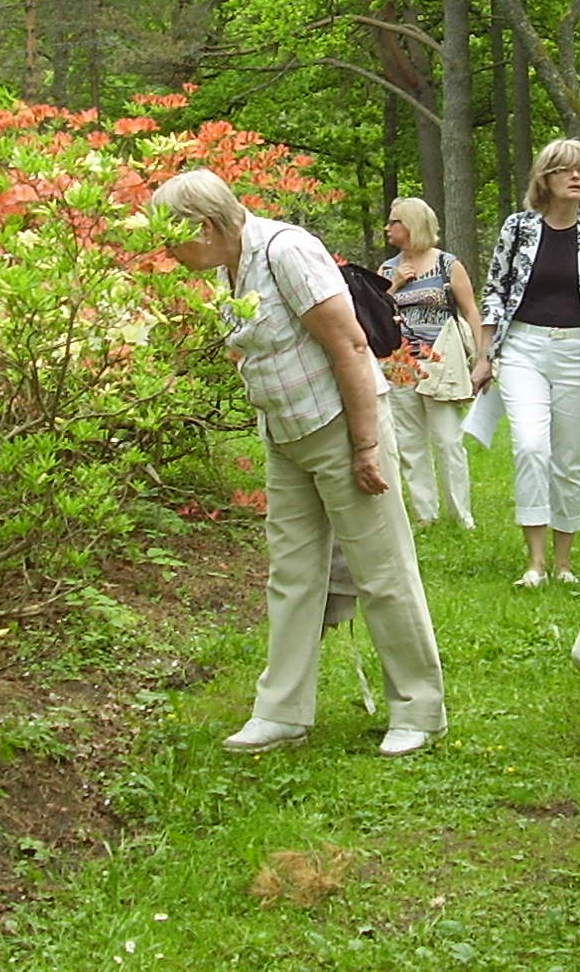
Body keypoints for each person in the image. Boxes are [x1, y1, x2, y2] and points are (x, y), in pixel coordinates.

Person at [150, 169, 447, 757]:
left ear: (204, 227)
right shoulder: (228, 268)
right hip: (286, 436)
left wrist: (365, 446)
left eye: (171, 236)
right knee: (291, 576)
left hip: (341, 427)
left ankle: (419, 711)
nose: (166, 250)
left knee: (381, 570)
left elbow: (350, 345)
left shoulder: (287, 251)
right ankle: (281, 712)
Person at [475, 137, 580, 589]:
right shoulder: (518, 228)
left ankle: (563, 562)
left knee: (569, 459)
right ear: (545, 178)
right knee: (531, 447)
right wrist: (484, 355)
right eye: (565, 169)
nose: (576, 176)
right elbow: (495, 291)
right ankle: (534, 562)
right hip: (524, 347)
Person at [378, 196, 481, 529]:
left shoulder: (448, 265)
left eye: (394, 221)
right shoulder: (386, 269)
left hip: (440, 363)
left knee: (448, 440)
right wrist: (394, 285)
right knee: (410, 443)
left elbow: (471, 311)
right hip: (399, 365)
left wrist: (482, 357)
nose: (388, 227)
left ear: (412, 225)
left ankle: (461, 516)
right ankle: (425, 515)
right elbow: (375, 314)